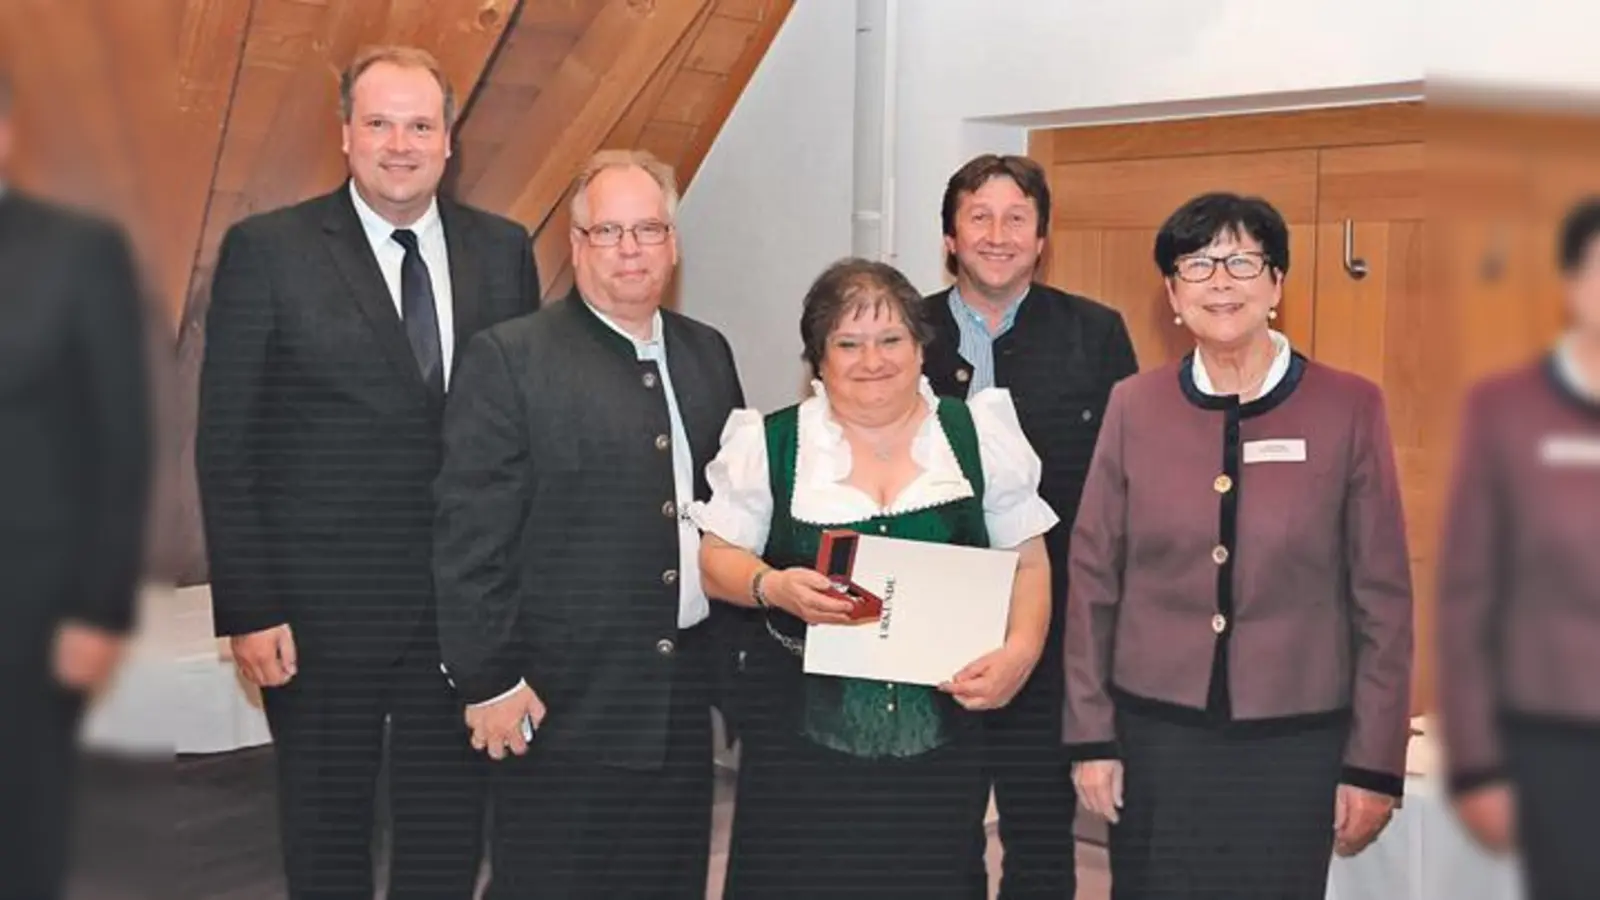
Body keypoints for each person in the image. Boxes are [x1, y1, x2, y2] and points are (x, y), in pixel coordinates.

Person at [197, 45, 539, 898]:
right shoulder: (268, 251)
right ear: (344, 133)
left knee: (448, 827)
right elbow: (226, 441)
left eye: (420, 124)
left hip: (458, 609)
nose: (400, 143)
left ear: (448, 141)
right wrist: (251, 604)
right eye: (379, 122)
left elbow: (520, 438)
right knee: (325, 828)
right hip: (316, 615)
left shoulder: (502, 253)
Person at [1064, 192, 1414, 898]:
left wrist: (1374, 764)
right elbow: (1094, 577)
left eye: (1242, 261)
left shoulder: (1350, 406)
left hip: (1295, 745)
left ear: (1277, 284)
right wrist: (1092, 737)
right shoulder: (1134, 405)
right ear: (1171, 293)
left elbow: (1382, 598)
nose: (1219, 281)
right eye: (1196, 264)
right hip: (1156, 739)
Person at [692, 257, 1058, 898]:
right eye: (848, 343)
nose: (873, 360)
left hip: (941, 746)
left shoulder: (979, 435)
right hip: (801, 747)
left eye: (891, 339)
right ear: (819, 357)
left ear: (921, 347)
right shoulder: (771, 443)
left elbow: (1029, 563)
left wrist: (1021, 654)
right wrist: (771, 586)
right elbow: (716, 558)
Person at [434, 149, 745, 899]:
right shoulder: (511, 359)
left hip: (677, 701)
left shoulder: (708, 352)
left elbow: (734, 509)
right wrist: (489, 679)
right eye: (609, 231)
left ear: (673, 244)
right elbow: (469, 535)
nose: (631, 249)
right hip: (558, 704)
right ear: (576, 246)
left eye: (648, 229)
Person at [923, 153, 1138, 898]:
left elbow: (1123, 489)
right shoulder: (898, 334)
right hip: (928, 628)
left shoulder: (1096, 334)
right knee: (934, 832)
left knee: (1040, 838)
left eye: (1017, 218)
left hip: (1051, 626)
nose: (998, 234)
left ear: (1042, 238)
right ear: (950, 236)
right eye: (978, 216)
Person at [0, 68, 153, 900]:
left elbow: (120, 440)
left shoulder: (77, 252)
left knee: (19, 833)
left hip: (26, 611)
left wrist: (99, 608)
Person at [1437, 198, 1600, 900]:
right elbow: (1468, 595)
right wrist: (1476, 761)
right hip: (1561, 742)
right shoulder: (1507, 410)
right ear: (1570, 284)